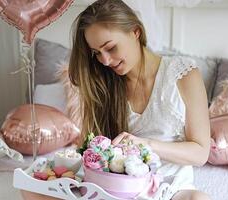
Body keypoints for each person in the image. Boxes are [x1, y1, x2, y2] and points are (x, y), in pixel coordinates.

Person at [68, 0, 211, 199]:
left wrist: (146, 144)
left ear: (136, 32)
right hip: (118, 190)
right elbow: (94, 150)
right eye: (97, 53)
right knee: (32, 189)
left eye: (110, 47)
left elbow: (201, 153)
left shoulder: (183, 75)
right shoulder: (103, 84)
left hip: (172, 190)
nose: (105, 61)